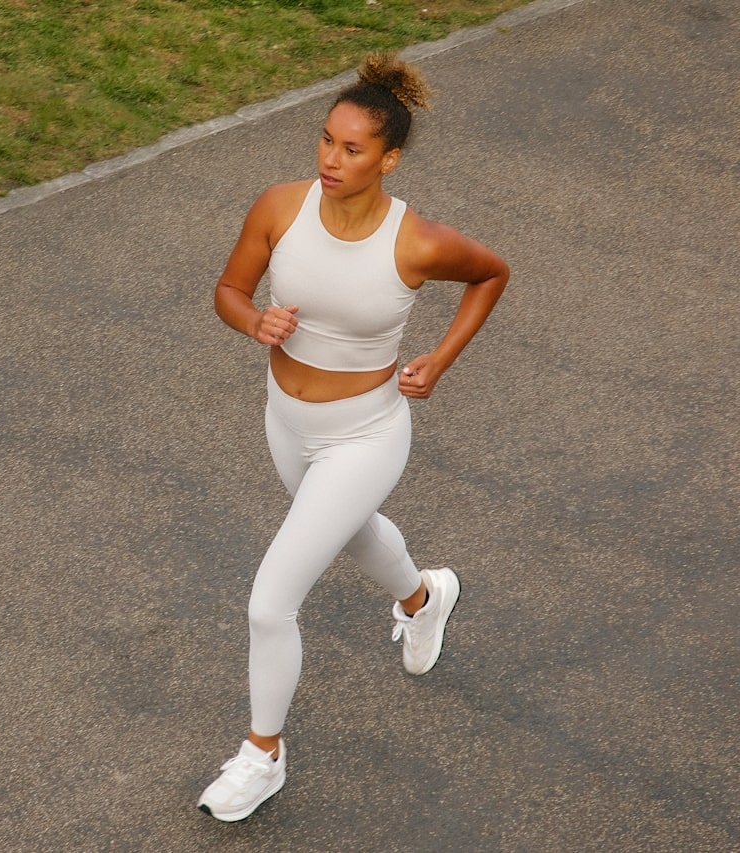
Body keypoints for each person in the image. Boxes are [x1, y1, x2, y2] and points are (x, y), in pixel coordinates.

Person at [197, 53, 510, 822]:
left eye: (352, 149)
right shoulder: (279, 207)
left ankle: (261, 755)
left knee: (271, 603)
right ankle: (424, 595)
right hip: (286, 421)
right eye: (326, 141)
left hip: (365, 433)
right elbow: (229, 290)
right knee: (347, 529)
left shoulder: (418, 243)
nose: (331, 160)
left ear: (389, 158)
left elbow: (492, 273)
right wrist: (253, 320)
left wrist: (440, 357)